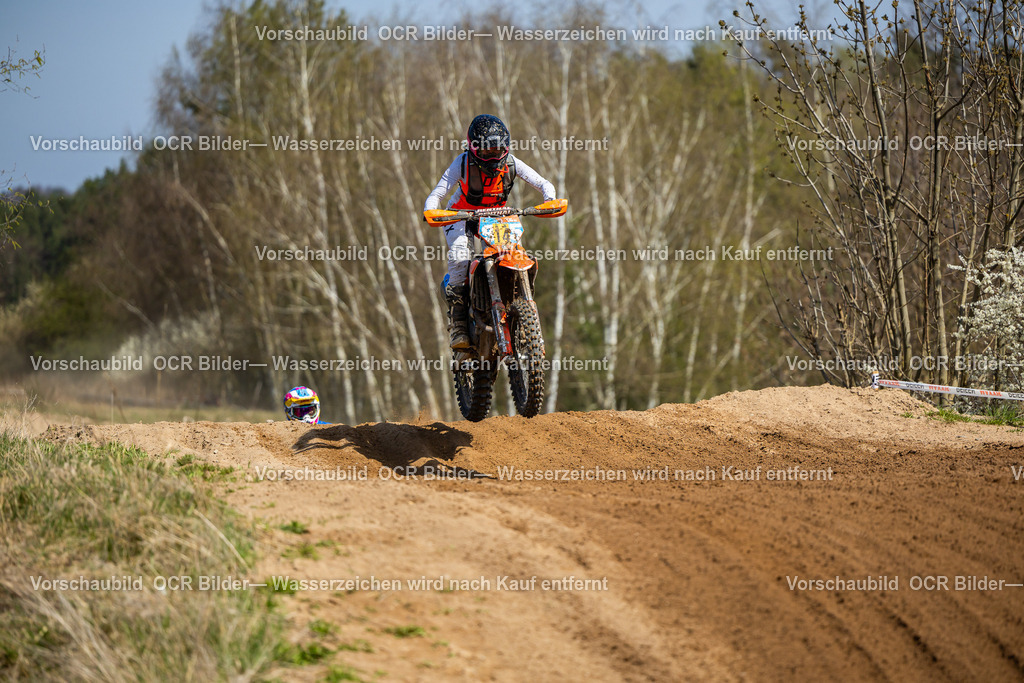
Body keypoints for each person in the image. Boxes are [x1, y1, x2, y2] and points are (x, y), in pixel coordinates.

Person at [424, 114, 557, 349]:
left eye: (497, 151)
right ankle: (458, 325)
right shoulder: (462, 163)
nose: (492, 157)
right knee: (459, 256)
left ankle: (516, 305)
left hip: (496, 215)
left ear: (505, 148)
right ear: (473, 149)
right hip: (461, 215)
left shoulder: (512, 163)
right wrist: (431, 210)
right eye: (486, 152)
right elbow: (436, 193)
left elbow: (544, 183)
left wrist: (549, 199)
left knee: (512, 253)